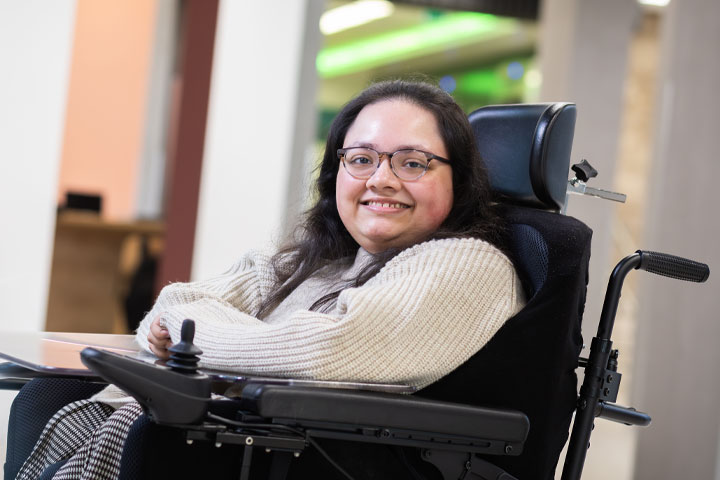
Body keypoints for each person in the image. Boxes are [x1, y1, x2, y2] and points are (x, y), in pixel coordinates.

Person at [12, 79, 524, 480]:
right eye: (361, 159)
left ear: (459, 180)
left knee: (153, 429)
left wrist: (193, 338)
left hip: (332, 454)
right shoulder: (329, 258)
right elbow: (175, 303)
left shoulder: (467, 263)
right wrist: (192, 325)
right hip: (264, 433)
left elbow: (326, 352)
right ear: (335, 173)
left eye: (413, 163)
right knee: (47, 392)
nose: (381, 179)